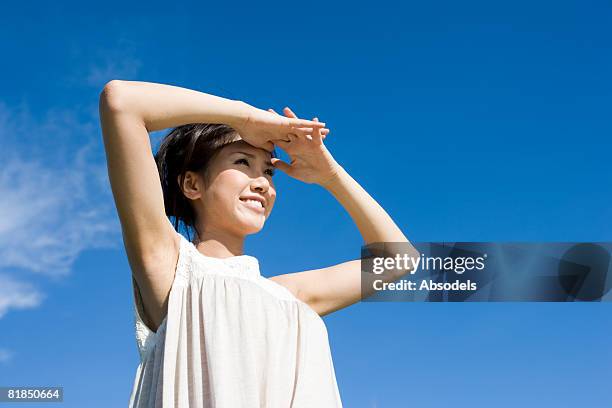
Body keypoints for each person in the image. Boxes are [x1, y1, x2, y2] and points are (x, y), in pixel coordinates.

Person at [98, 80, 418, 407]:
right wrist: (245, 118)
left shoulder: (289, 297)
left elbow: (399, 260)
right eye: (242, 163)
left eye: (269, 171)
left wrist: (329, 175)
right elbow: (121, 101)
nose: (263, 183)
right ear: (192, 184)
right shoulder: (171, 266)